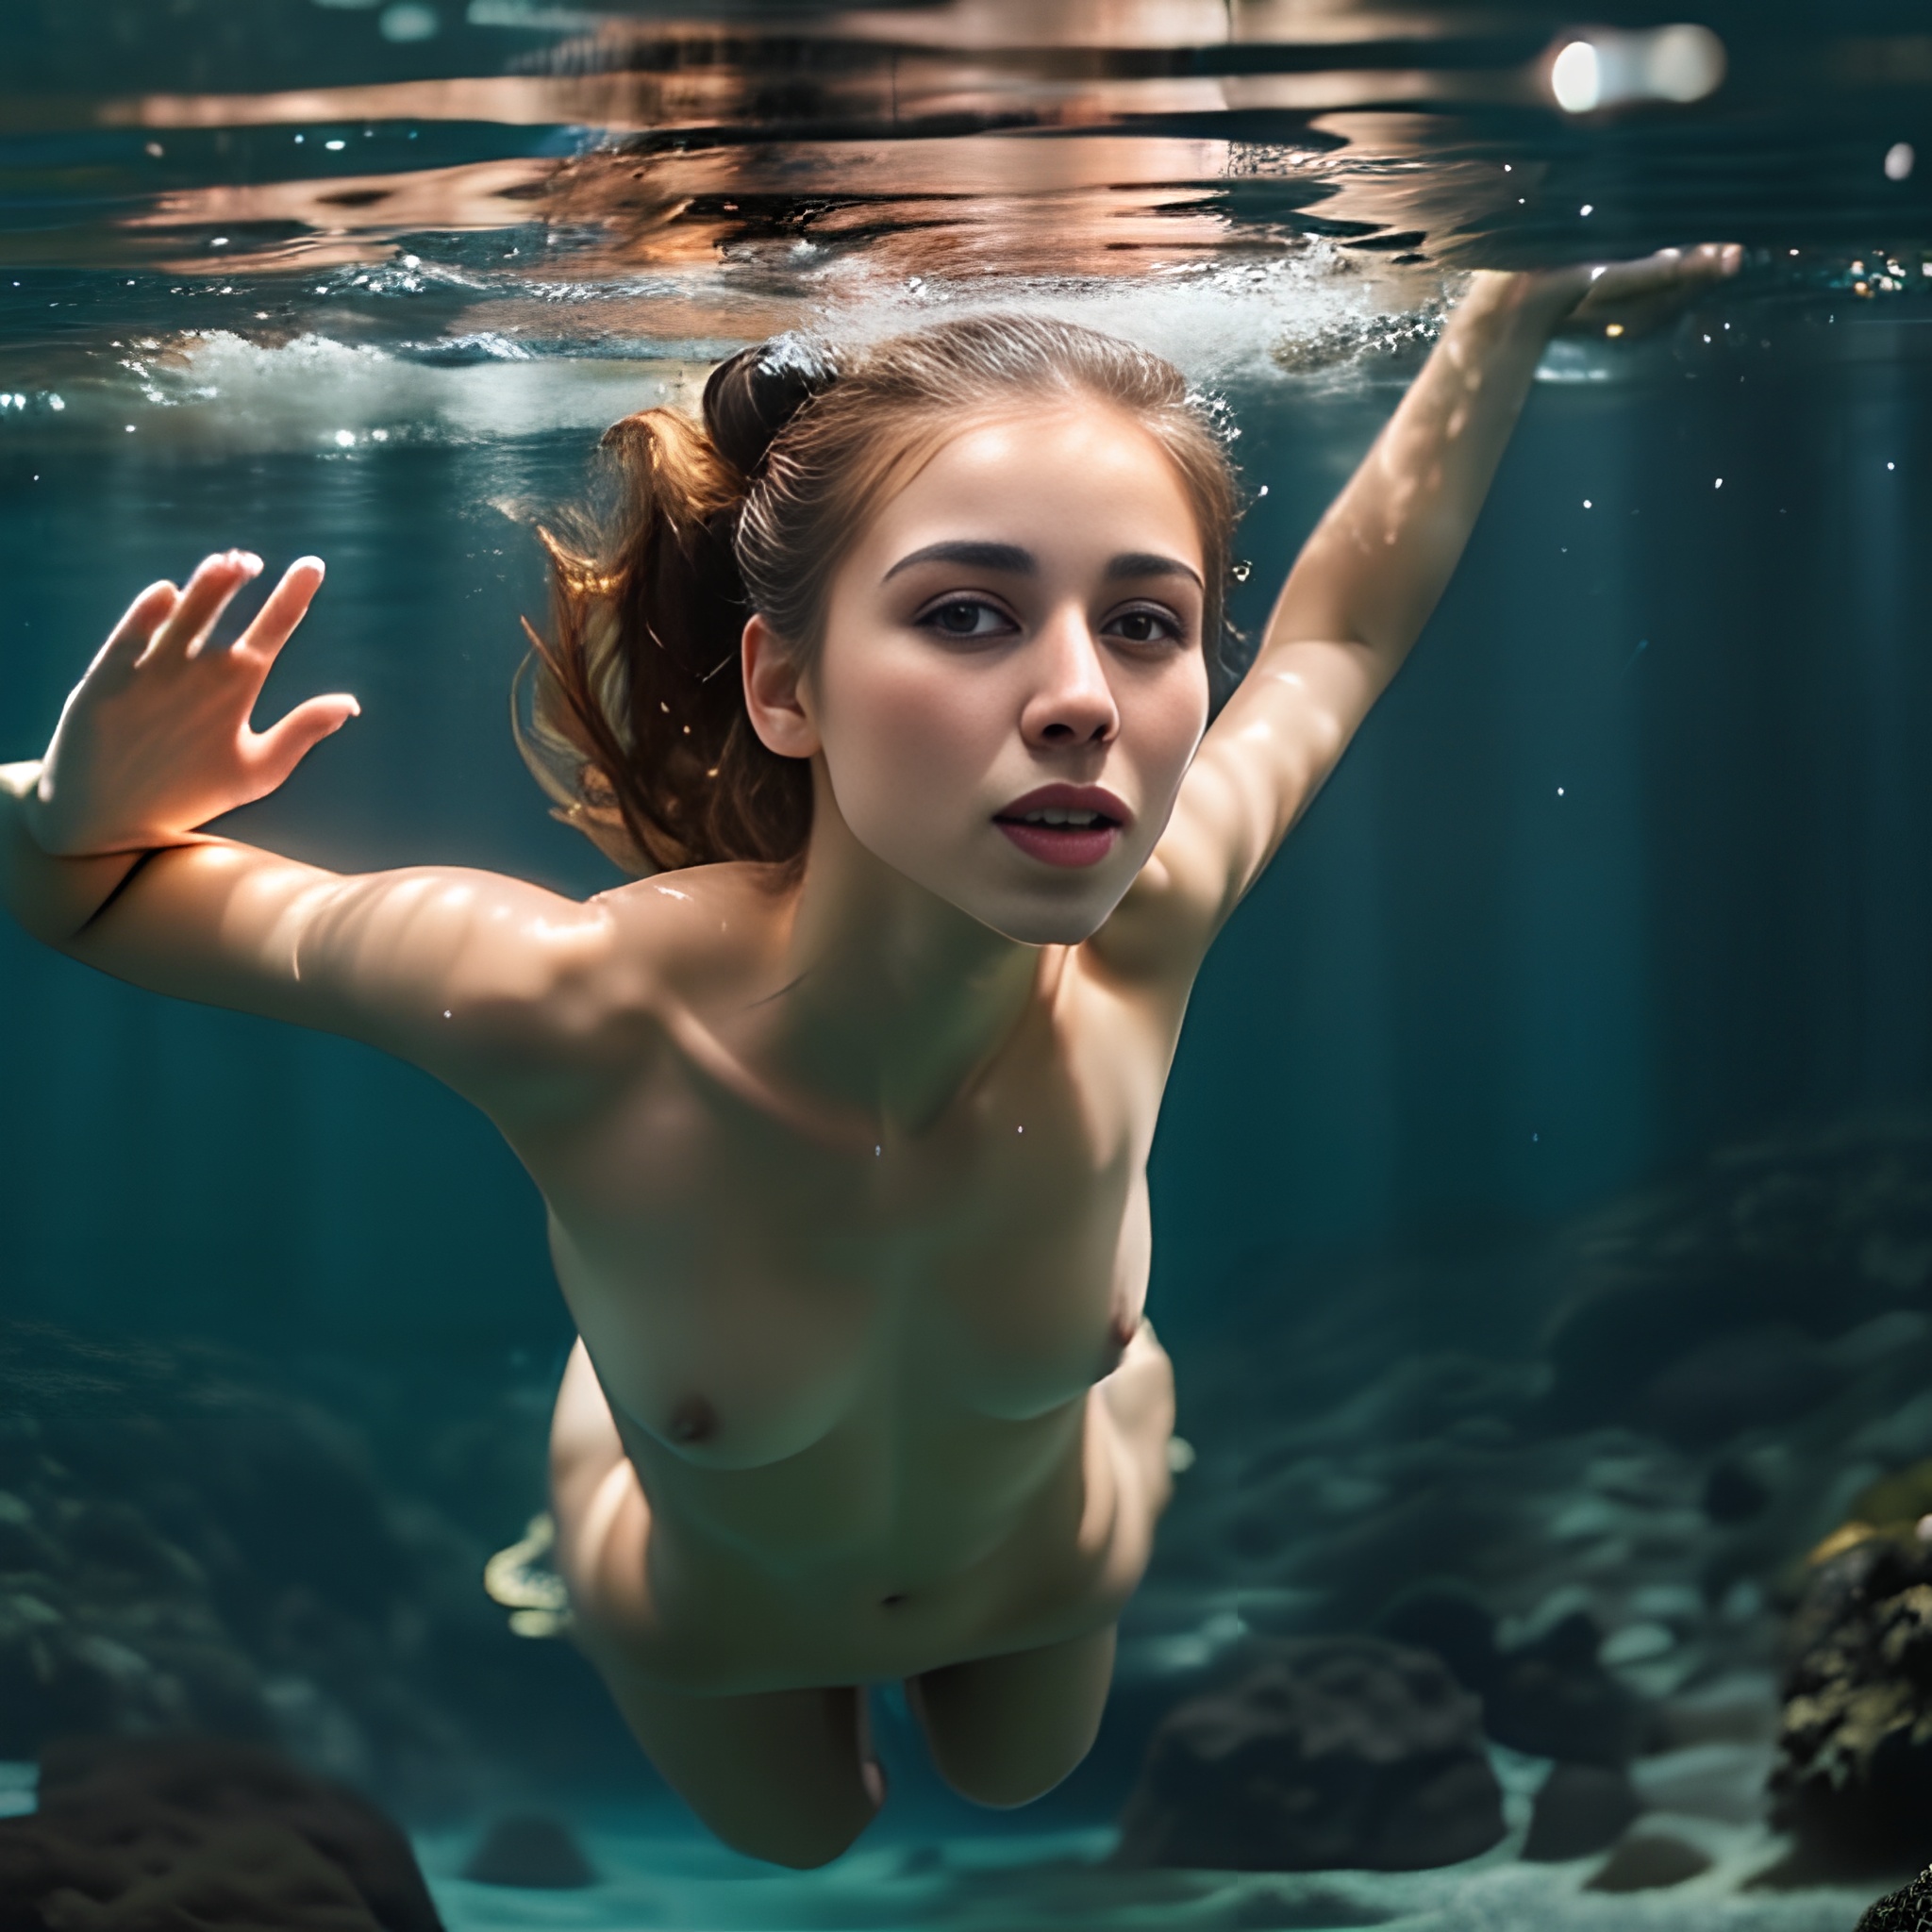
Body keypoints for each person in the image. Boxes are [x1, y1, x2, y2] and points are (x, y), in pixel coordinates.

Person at [0, 244, 1737, 1868]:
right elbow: (79, 898)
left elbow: (1339, 636)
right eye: (969, 614)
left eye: (1145, 623)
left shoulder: (1157, 915)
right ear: (786, 686)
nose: (1081, 698)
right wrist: (63, 801)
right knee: (800, 1834)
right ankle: (613, 1418)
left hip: (1046, 1579)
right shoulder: (567, 1005)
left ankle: (1098, 1370)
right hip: (701, 1613)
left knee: (1016, 1769)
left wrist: (1498, 319)